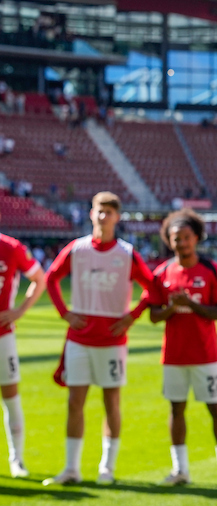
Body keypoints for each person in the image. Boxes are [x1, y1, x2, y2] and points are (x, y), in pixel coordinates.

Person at [43, 192, 156, 485]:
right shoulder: (77, 249)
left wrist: (132, 316)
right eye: (99, 211)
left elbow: (153, 288)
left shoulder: (127, 253)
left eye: (109, 212)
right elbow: (51, 277)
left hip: (111, 340)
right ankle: (71, 468)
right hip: (79, 338)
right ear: (90, 214)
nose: (103, 217)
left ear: (117, 217)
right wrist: (64, 312)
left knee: (111, 403)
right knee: (74, 402)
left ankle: (107, 467)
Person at [145, 210, 217, 487]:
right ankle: (180, 470)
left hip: (205, 355)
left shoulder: (210, 271)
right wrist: (172, 307)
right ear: (169, 241)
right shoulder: (161, 273)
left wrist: (191, 304)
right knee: (176, 410)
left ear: (196, 238)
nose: (181, 243)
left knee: (215, 409)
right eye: (176, 239)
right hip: (174, 355)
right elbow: (153, 316)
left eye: (186, 237)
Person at [0, 220, 47, 477]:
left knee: (10, 397)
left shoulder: (11, 247)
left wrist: (19, 311)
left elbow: (39, 279)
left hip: (2, 336)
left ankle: (16, 459)